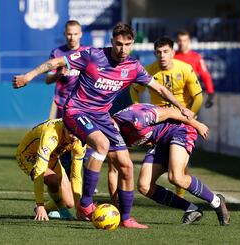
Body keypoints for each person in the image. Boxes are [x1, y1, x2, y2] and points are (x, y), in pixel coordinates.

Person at [13, 22, 194, 229]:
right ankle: (86, 204)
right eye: (118, 44)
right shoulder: (93, 55)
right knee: (101, 145)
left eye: (127, 45)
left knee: (125, 165)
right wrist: (28, 76)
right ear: (111, 42)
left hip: (102, 116)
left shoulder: (133, 67)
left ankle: (126, 218)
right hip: (76, 111)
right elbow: (55, 63)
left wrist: (181, 107)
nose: (123, 49)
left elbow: (159, 88)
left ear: (132, 44)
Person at [112, 103, 230, 226]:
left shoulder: (135, 117)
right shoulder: (111, 137)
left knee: (176, 177)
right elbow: (115, 170)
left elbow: (171, 112)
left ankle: (216, 201)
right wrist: (116, 208)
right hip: (161, 141)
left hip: (180, 130)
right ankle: (191, 209)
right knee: (144, 186)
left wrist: (198, 125)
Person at [130, 36, 203, 197]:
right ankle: (179, 196)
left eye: (165, 51)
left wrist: (191, 115)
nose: (162, 55)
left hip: (181, 123)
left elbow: (198, 96)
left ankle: (181, 194)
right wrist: (136, 105)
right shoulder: (149, 70)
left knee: (177, 170)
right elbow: (134, 89)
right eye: (158, 52)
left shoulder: (185, 68)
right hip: (160, 124)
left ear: (173, 52)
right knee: (147, 182)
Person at [16, 119, 85, 221]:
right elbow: (39, 172)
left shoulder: (80, 139)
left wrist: (79, 207)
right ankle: (60, 209)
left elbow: (76, 175)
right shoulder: (50, 136)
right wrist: (40, 204)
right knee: (53, 179)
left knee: (70, 202)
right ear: (64, 128)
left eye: (77, 133)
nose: (74, 137)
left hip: (51, 157)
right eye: (71, 132)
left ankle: (46, 209)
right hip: (29, 155)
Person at [45, 20, 89, 180]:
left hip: (82, 106)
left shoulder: (87, 52)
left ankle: (84, 182)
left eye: (75, 33)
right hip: (62, 105)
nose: (72, 37)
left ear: (81, 34)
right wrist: (58, 74)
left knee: (85, 143)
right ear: (65, 34)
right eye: (69, 34)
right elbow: (47, 80)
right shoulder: (57, 53)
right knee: (63, 145)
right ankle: (68, 180)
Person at [174, 30, 215, 108]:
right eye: (180, 40)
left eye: (184, 40)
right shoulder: (172, 56)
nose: (182, 43)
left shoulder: (196, 57)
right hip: (175, 96)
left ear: (189, 41)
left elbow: (205, 76)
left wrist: (210, 94)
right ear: (176, 41)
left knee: (190, 119)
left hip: (191, 96)